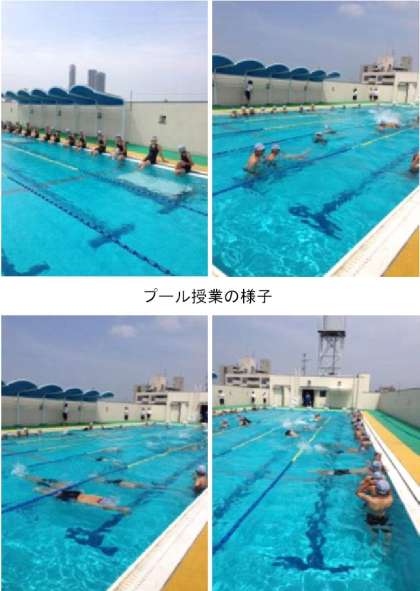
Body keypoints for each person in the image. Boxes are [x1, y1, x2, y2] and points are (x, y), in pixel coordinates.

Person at [23, 475, 131, 514]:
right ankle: (32, 482)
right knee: (45, 486)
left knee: (45, 484)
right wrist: (120, 509)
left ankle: (28, 478)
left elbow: (105, 505)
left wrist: (119, 508)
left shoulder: (107, 502)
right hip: (74, 496)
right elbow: (106, 506)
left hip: (75, 495)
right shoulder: (107, 503)